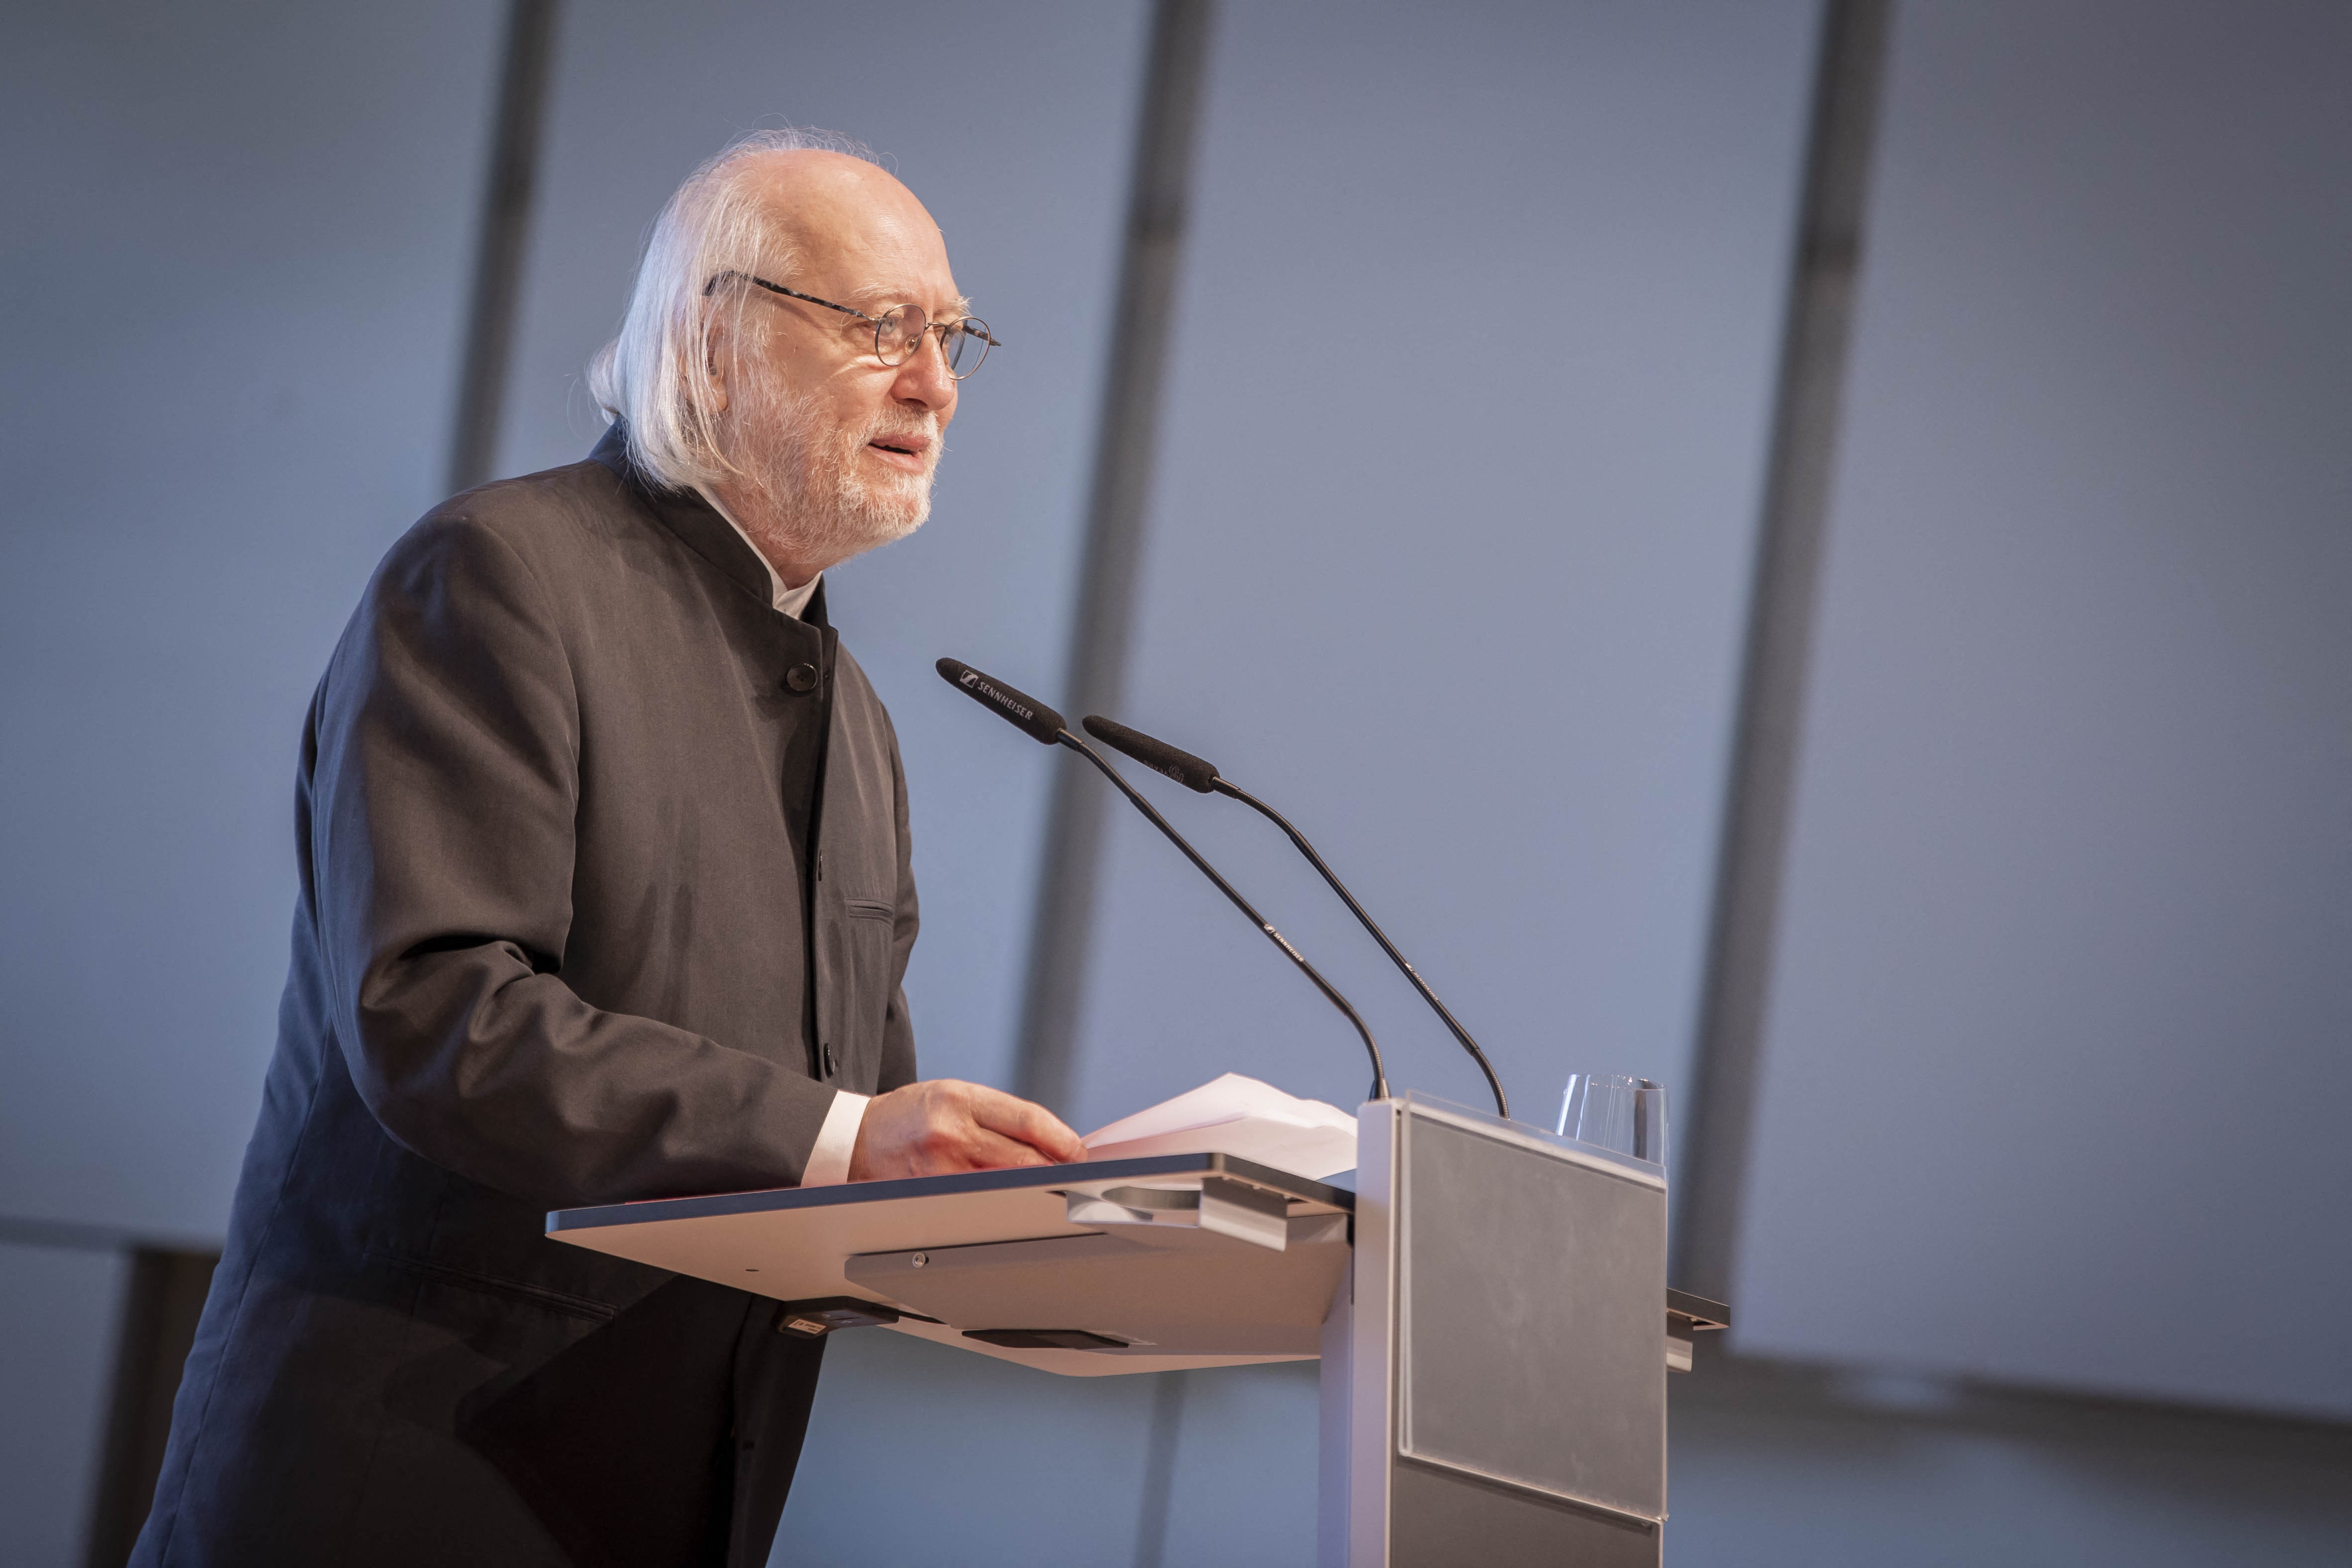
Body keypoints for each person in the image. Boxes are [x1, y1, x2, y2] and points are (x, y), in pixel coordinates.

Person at [132, 128, 1085, 1568]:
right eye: (883, 328)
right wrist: (849, 1144)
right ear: (714, 339)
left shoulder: (864, 725)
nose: (936, 384)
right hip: (407, 1483)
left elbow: (855, 1127)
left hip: (674, 1502)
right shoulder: (501, 579)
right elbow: (438, 1019)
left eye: (953, 338)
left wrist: (1043, 1223)